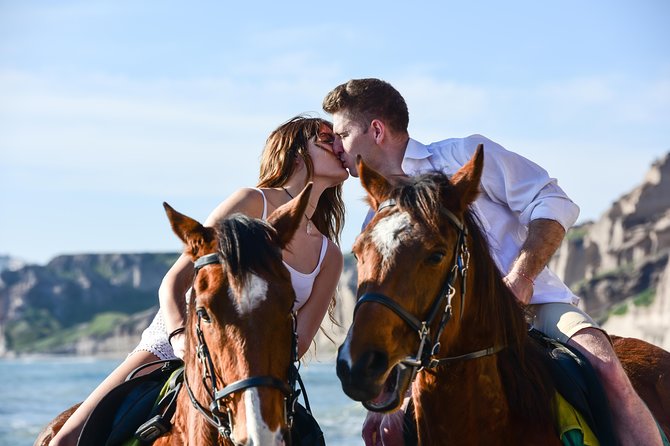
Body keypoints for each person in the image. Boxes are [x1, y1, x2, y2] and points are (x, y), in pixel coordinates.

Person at [322, 78, 663, 446]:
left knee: (607, 368)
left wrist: (521, 276)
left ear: (376, 129)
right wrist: (382, 400)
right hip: (440, 340)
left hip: (536, 307)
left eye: (341, 134)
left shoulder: (463, 154)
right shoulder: (374, 221)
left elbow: (554, 201)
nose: (336, 146)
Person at [49, 115, 349, 446]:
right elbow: (174, 282)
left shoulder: (329, 254)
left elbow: (301, 339)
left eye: (341, 139)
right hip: (181, 337)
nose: (340, 145)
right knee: (66, 440)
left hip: (252, 362)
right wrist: (179, 336)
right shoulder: (251, 201)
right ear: (295, 151)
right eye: (327, 138)